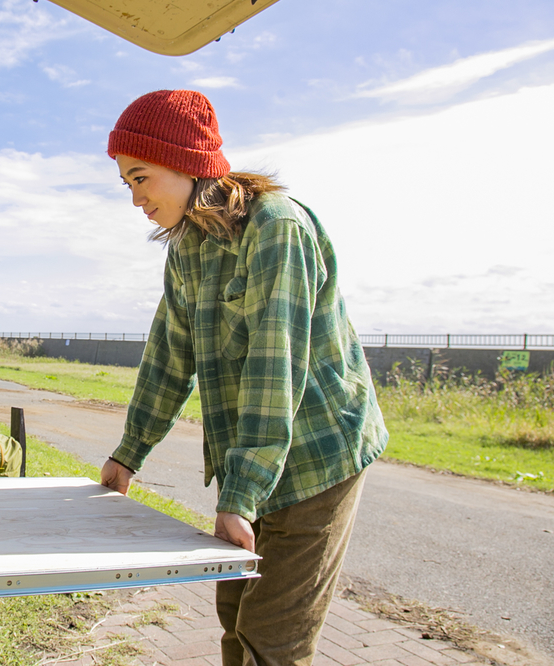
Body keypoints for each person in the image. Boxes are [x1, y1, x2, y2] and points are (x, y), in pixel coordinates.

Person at [99, 89, 389, 666]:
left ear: (186, 161)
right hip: (254, 458)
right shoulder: (187, 248)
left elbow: (274, 365)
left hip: (317, 457)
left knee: (270, 642)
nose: (135, 198)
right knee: (234, 619)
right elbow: (168, 355)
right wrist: (128, 454)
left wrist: (241, 495)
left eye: (140, 177)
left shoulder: (277, 227)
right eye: (126, 185)